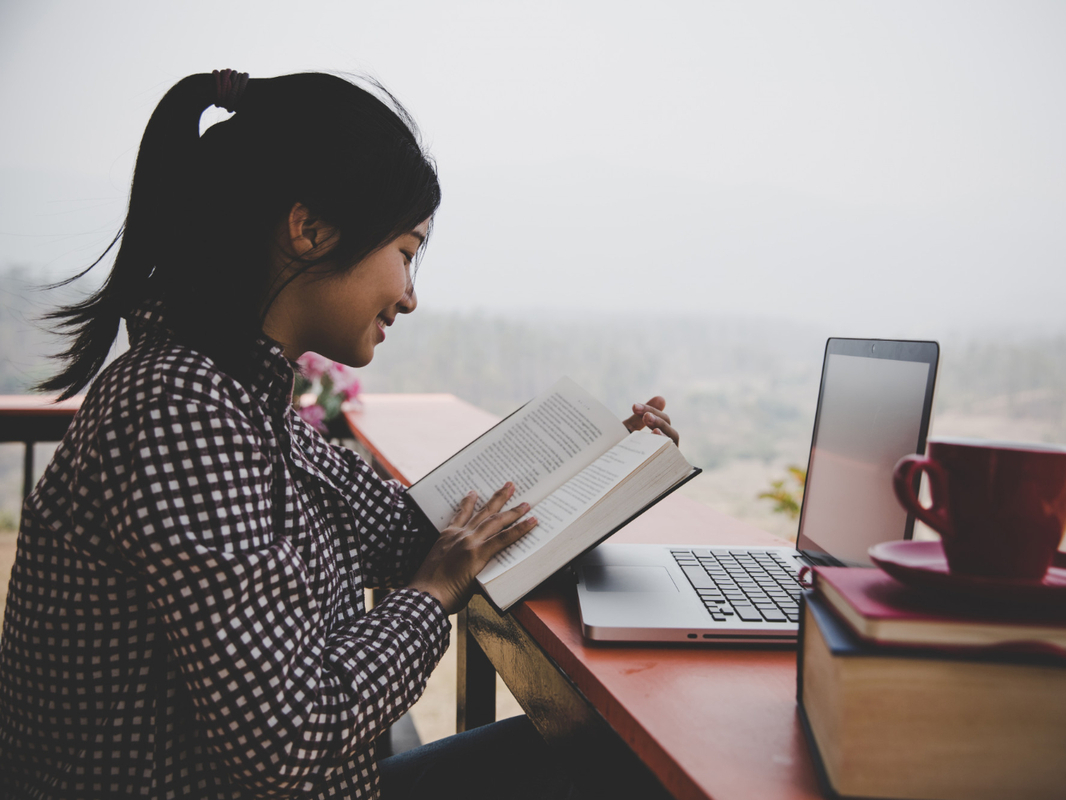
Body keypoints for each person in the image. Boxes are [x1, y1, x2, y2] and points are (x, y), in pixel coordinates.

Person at [0, 70, 679, 800]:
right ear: (310, 230)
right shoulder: (180, 409)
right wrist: (432, 594)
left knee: (602, 751)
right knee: (616, 767)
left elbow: (404, 531)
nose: (411, 296)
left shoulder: (246, 402)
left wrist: (598, 463)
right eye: (407, 252)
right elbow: (286, 740)